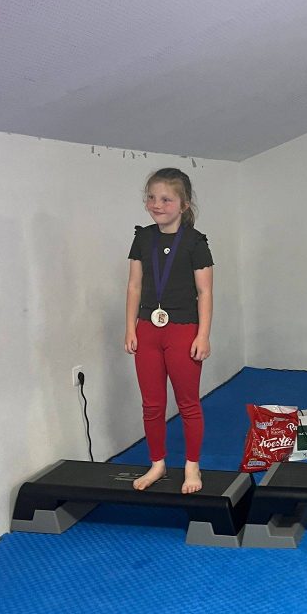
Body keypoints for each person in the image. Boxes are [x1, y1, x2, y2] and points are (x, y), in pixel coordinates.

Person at [125, 168, 213, 493]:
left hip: (183, 329)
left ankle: (192, 466)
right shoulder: (142, 238)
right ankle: (157, 463)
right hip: (148, 329)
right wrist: (130, 327)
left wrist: (203, 335)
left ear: (184, 204)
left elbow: (205, 292)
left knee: (187, 403)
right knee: (152, 404)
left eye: (166, 199)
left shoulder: (195, 242)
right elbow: (134, 286)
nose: (156, 205)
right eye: (151, 197)